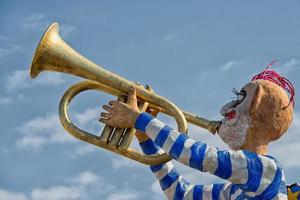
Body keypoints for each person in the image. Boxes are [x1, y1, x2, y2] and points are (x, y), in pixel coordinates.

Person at [99, 63, 297, 199]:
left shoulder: (265, 170)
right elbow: (180, 194)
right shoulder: (235, 191)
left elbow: (197, 155)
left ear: (257, 110)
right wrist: (144, 137)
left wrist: (139, 119)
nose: (225, 109)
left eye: (240, 100)